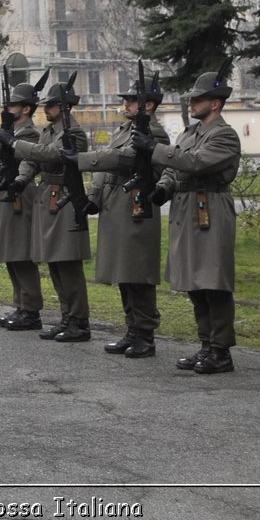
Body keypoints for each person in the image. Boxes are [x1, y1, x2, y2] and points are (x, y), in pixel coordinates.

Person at [140, 69, 243, 374]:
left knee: (213, 280)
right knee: (195, 282)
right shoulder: (189, 133)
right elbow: (176, 168)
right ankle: (206, 345)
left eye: (198, 99)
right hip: (187, 208)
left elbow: (194, 162)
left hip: (209, 207)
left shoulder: (224, 134)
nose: (192, 103)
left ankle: (221, 350)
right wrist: (163, 188)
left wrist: (154, 149)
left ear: (216, 103)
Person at [72, 75, 169, 358]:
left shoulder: (154, 133)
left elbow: (123, 159)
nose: (126, 103)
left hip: (136, 204)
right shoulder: (124, 129)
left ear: (149, 105)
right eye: (126, 99)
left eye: (132, 100)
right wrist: (93, 198)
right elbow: (107, 168)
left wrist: (80, 160)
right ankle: (132, 329)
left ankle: (146, 334)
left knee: (137, 271)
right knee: (124, 272)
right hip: (117, 204)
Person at [13, 79, 92, 342]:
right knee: (56, 262)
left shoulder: (74, 133)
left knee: (68, 262)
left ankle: (79, 320)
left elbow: (50, 155)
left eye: (51, 105)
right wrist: (22, 179)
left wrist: (16, 145)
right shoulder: (49, 131)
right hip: (48, 195)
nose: (46, 108)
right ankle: (66, 316)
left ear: (64, 107)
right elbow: (34, 159)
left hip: (66, 196)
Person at [0, 81, 43, 331]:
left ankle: (31, 309)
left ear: (27, 109)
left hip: (20, 193)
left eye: (14, 105)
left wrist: (8, 141)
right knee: (11, 252)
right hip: (6, 192)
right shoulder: (9, 131)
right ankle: (20, 305)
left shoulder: (28, 132)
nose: (9, 108)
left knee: (20, 252)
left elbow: (26, 160)